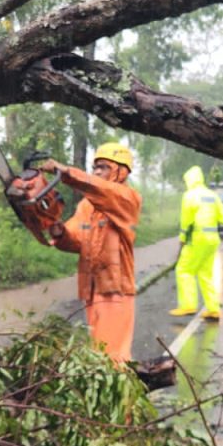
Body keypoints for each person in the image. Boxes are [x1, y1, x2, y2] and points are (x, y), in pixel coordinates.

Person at [39, 142, 142, 364]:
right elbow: (76, 239)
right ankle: (108, 396)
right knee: (98, 354)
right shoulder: (87, 206)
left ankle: (120, 397)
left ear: (120, 171)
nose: (96, 172)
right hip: (92, 287)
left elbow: (102, 190)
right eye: (95, 167)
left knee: (113, 357)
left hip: (115, 288)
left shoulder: (127, 198)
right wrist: (60, 231)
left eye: (103, 167)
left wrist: (66, 173)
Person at [170, 166, 223, 320]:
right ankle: (213, 309)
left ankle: (188, 305)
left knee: (184, 270)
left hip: (197, 238)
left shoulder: (189, 195)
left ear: (189, 180)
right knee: (205, 274)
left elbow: (186, 221)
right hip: (212, 240)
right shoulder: (213, 195)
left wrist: (182, 240)